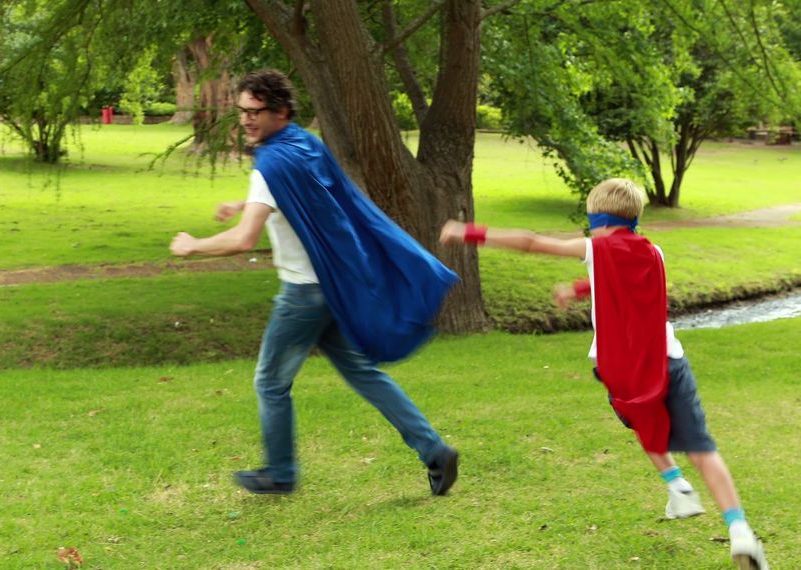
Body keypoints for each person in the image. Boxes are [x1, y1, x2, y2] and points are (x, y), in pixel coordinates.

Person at [440, 178, 768, 570]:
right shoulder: (655, 251)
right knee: (702, 448)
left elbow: (531, 242)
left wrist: (468, 232)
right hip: (668, 360)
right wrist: (579, 289)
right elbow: (627, 282)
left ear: (598, 219)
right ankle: (738, 529)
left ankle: (676, 485)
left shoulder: (595, 248)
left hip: (621, 370)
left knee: (641, 421)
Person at [169, 69, 460, 496]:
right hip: (331, 286)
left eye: (256, 112)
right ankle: (434, 450)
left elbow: (244, 239)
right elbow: (303, 193)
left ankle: (280, 473)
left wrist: (193, 246)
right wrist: (246, 202)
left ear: (282, 111)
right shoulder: (303, 144)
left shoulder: (270, 165)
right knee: (362, 373)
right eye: (242, 111)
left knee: (269, 383)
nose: (246, 120)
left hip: (303, 293)